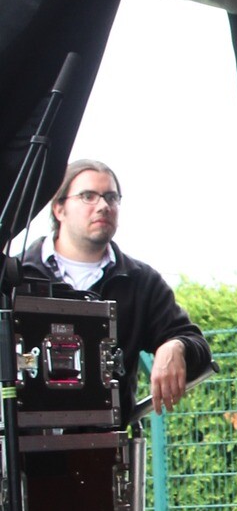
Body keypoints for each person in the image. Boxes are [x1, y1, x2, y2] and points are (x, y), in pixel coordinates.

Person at [9, 158, 212, 414]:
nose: (103, 206)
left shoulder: (140, 282)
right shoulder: (15, 276)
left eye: (111, 197)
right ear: (59, 208)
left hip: (107, 436)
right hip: (20, 436)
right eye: (88, 196)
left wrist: (176, 346)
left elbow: (198, 347)